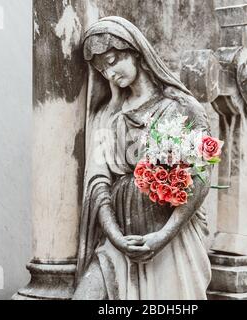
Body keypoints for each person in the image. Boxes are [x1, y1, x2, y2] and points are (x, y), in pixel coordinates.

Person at [73, 16, 212, 300]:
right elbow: (98, 182)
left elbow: (200, 176)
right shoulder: (109, 116)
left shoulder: (182, 107)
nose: (109, 74)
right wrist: (115, 236)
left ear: (135, 51)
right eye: (102, 70)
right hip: (119, 238)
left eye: (112, 61)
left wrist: (164, 235)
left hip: (170, 240)